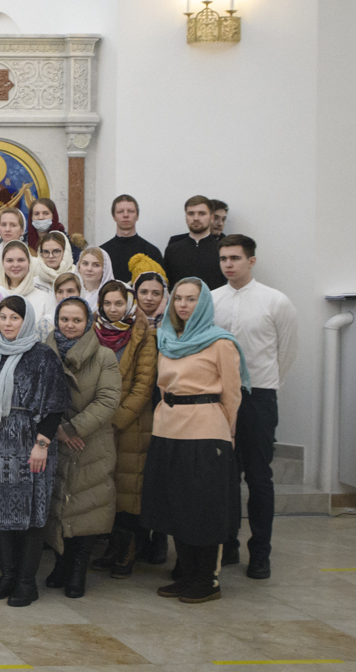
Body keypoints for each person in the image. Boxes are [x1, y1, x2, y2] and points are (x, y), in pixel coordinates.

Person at [143, 278, 245, 604]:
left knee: (203, 508)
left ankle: (207, 579)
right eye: (179, 299)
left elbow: (232, 393)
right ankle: (186, 573)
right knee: (175, 506)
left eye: (191, 300)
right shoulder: (168, 338)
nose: (184, 305)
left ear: (203, 305)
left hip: (204, 430)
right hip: (168, 428)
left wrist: (227, 432)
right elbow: (162, 386)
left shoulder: (220, 343)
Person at [0, 294, 70, 607]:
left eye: (15, 318)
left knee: (29, 516)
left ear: (27, 321)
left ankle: (26, 581)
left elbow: (54, 407)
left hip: (28, 445)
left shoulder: (43, 357)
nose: (8, 323)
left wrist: (42, 445)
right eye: (4, 317)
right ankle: (7, 575)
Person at [210, 235, 295, 579]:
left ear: (251, 261)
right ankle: (227, 543)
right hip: (218, 398)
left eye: (235, 258)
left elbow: (286, 354)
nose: (228, 264)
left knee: (259, 477)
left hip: (258, 395)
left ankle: (260, 551)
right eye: (223, 259)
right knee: (225, 476)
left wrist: (263, 386)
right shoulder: (213, 300)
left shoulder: (276, 302)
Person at [39, 296, 120, 599]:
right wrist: (55, 429)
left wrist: (73, 428)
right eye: (64, 319)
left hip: (89, 441)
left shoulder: (104, 356)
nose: (70, 325)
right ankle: (61, 564)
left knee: (86, 505)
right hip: (53, 438)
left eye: (76, 320)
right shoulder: (42, 353)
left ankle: (78, 570)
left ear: (87, 323)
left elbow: (108, 399)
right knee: (58, 504)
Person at [93, 280, 159, 579]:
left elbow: (144, 386)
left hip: (132, 424)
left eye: (118, 303)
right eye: (108, 303)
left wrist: (115, 420)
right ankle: (112, 547)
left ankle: (129, 550)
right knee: (109, 486)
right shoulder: (93, 332)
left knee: (129, 488)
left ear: (129, 304)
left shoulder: (144, 335)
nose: (113, 308)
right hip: (100, 423)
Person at [163, 196, 225, 289]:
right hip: (180, 303)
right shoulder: (172, 250)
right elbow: (167, 285)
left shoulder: (222, 250)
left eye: (202, 213)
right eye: (191, 213)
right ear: (186, 217)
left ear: (211, 218)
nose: (196, 218)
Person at [98, 195, 161, 283]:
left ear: (137, 216)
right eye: (120, 211)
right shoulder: (102, 252)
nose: (125, 215)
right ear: (113, 217)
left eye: (130, 211)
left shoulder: (152, 252)